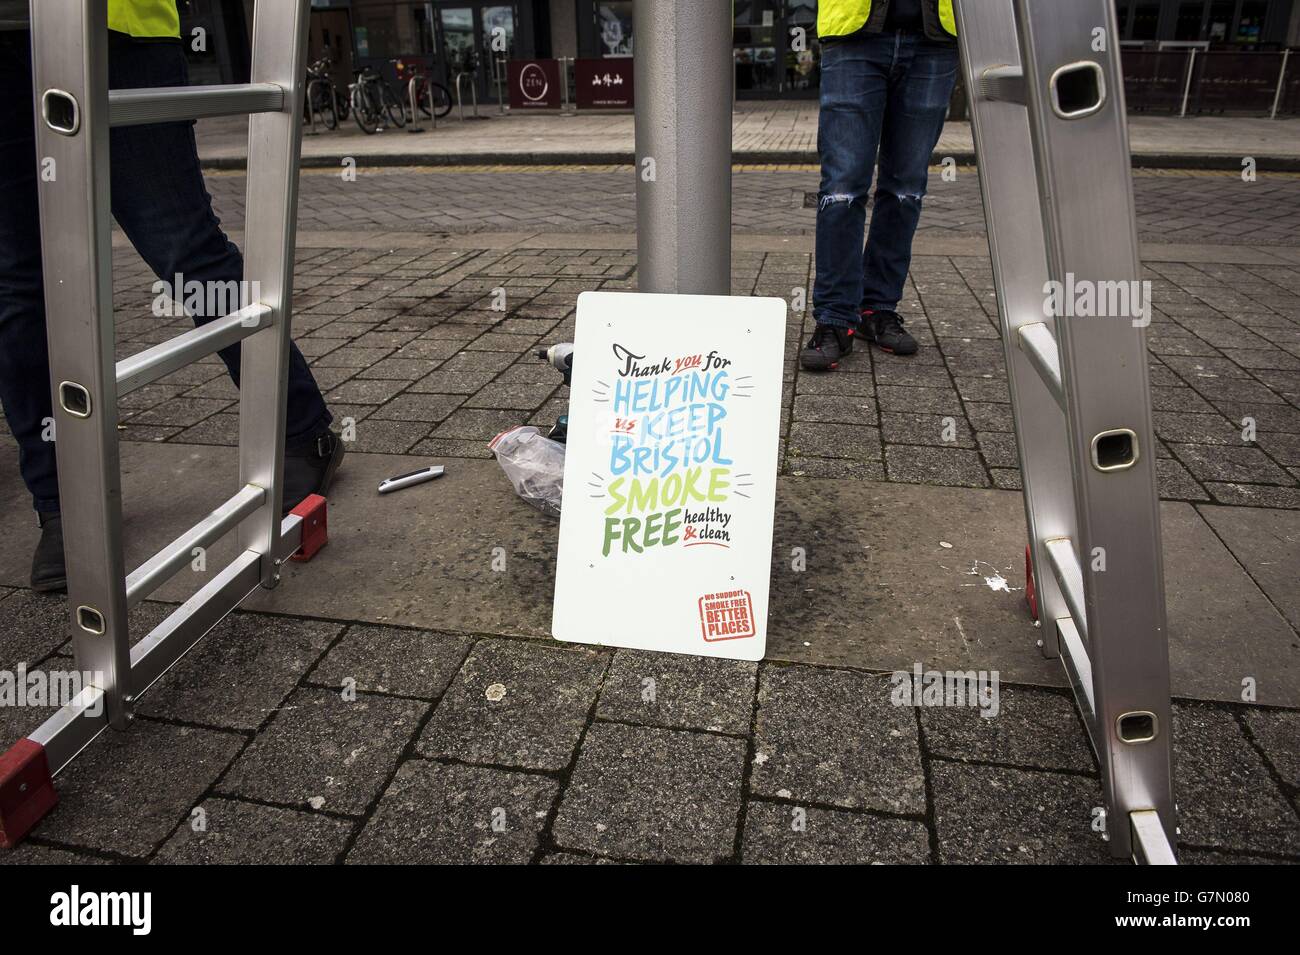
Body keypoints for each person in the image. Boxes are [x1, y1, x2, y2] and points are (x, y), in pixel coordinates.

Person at [0, 0, 343, 593]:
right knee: (17, 288)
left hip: (115, 31)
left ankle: (301, 430)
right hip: (7, 41)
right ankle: (61, 504)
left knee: (187, 253)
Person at [801, 0, 959, 371]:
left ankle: (878, 308)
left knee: (906, 189)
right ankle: (836, 319)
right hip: (854, 33)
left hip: (936, 38)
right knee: (842, 189)